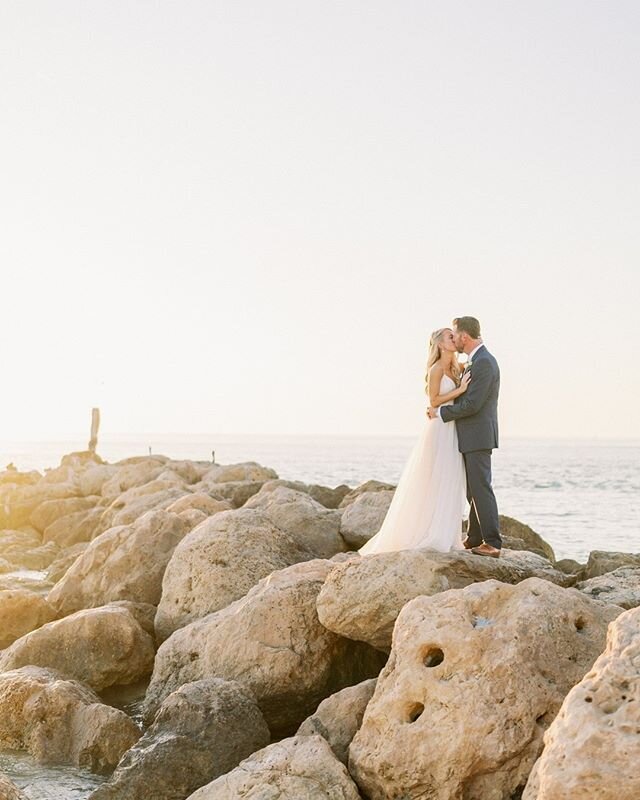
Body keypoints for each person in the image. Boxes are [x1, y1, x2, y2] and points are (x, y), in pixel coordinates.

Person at [359, 327, 470, 556]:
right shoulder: (436, 368)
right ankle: (428, 531)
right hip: (439, 427)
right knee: (435, 477)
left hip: (453, 427)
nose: (455, 338)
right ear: (440, 344)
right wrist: (460, 390)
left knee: (450, 477)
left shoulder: (457, 366)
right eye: (450, 337)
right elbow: (434, 400)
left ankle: (448, 533)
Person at [428, 316, 502, 557]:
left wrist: (440, 412)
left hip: (478, 434)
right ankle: (474, 537)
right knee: (473, 489)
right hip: (471, 434)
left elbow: (472, 405)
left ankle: (493, 543)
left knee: (481, 487)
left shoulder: (483, 363)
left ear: (464, 337)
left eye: (455, 335)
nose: (454, 339)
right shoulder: (475, 361)